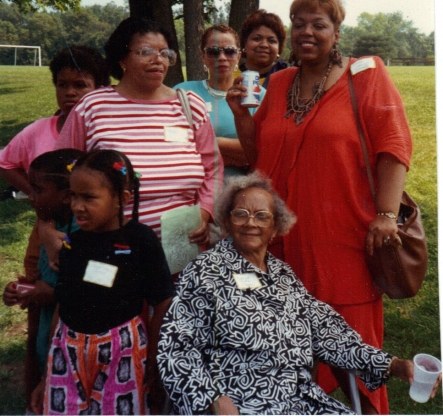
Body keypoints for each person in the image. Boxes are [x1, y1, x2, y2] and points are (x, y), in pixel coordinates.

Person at [227, 0, 413, 414]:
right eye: (298, 23)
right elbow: (260, 156)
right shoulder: (280, 83)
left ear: (337, 31)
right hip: (283, 248)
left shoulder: (366, 74)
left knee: (356, 357)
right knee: (287, 360)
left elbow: (394, 146)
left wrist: (386, 214)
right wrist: (242, 118)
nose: (306, 31)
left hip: (343, 245)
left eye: (319, 24)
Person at [157, 173, 436, 415]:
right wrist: (213, 399)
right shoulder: (206, 272)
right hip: (240, 402)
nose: (250, 222)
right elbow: (176, 349)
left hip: (300, 401)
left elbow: (331, 335)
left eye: (261, 216)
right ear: (228, 223)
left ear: (276, 228)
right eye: (240, 213)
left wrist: (397, 365)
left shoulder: (284, 276)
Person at [53, 18, 222, 255]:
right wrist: (49, 225)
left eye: (165, 53)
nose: (158, 59)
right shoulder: (92, 107)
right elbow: (59, 171)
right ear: (122, 58)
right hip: (110, 251)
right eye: (146, 52)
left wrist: (204, 212)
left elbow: (213, 170)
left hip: (181, 251)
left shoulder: (190, 105)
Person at [0, 46, 109, 412]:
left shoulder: (101, 131)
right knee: (41, 326)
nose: (71, 93)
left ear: (100, 86)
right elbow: (6, 162)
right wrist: (38, 201)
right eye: (62, 85)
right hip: (46, 236)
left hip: (88, 240)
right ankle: (41, 391)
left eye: (81, 84)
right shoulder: (38, 131)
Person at [31, 149, 174, 415]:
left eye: (88, 197)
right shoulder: (74, 242)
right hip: (68, 350)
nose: (76, 206)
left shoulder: (140, 241)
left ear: (122, 198)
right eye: (73, 196)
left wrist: (153, 361)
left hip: (123, 353)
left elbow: (162, 299)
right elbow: (64, 302)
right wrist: (47, 374)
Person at [3, 149, 83, 376]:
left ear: (66, 195)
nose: (31, 196)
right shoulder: (49, 230)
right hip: (47, 338)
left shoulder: (82, 235)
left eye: (37, 190)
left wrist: (54, 294)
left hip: (72, 346)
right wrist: (21, 290)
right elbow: (44, 279)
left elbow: (92, 286)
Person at [174, 25, 265, 179]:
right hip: (194, 184)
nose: (222, 57)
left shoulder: (256, 95)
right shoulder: (184, 93)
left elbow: (262, 150)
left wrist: (212, 142)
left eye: (229, 51)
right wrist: (232, 157)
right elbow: (174, 142)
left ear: (238, 55)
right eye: (213, 52)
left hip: (240, 189)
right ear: (203, 56)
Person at [234, 9, 288, 88]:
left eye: (271, 41)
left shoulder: (288, 79)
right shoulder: (229, 77)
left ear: (279, 48)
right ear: (244, 43)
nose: (264, 45)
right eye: (257, 39)